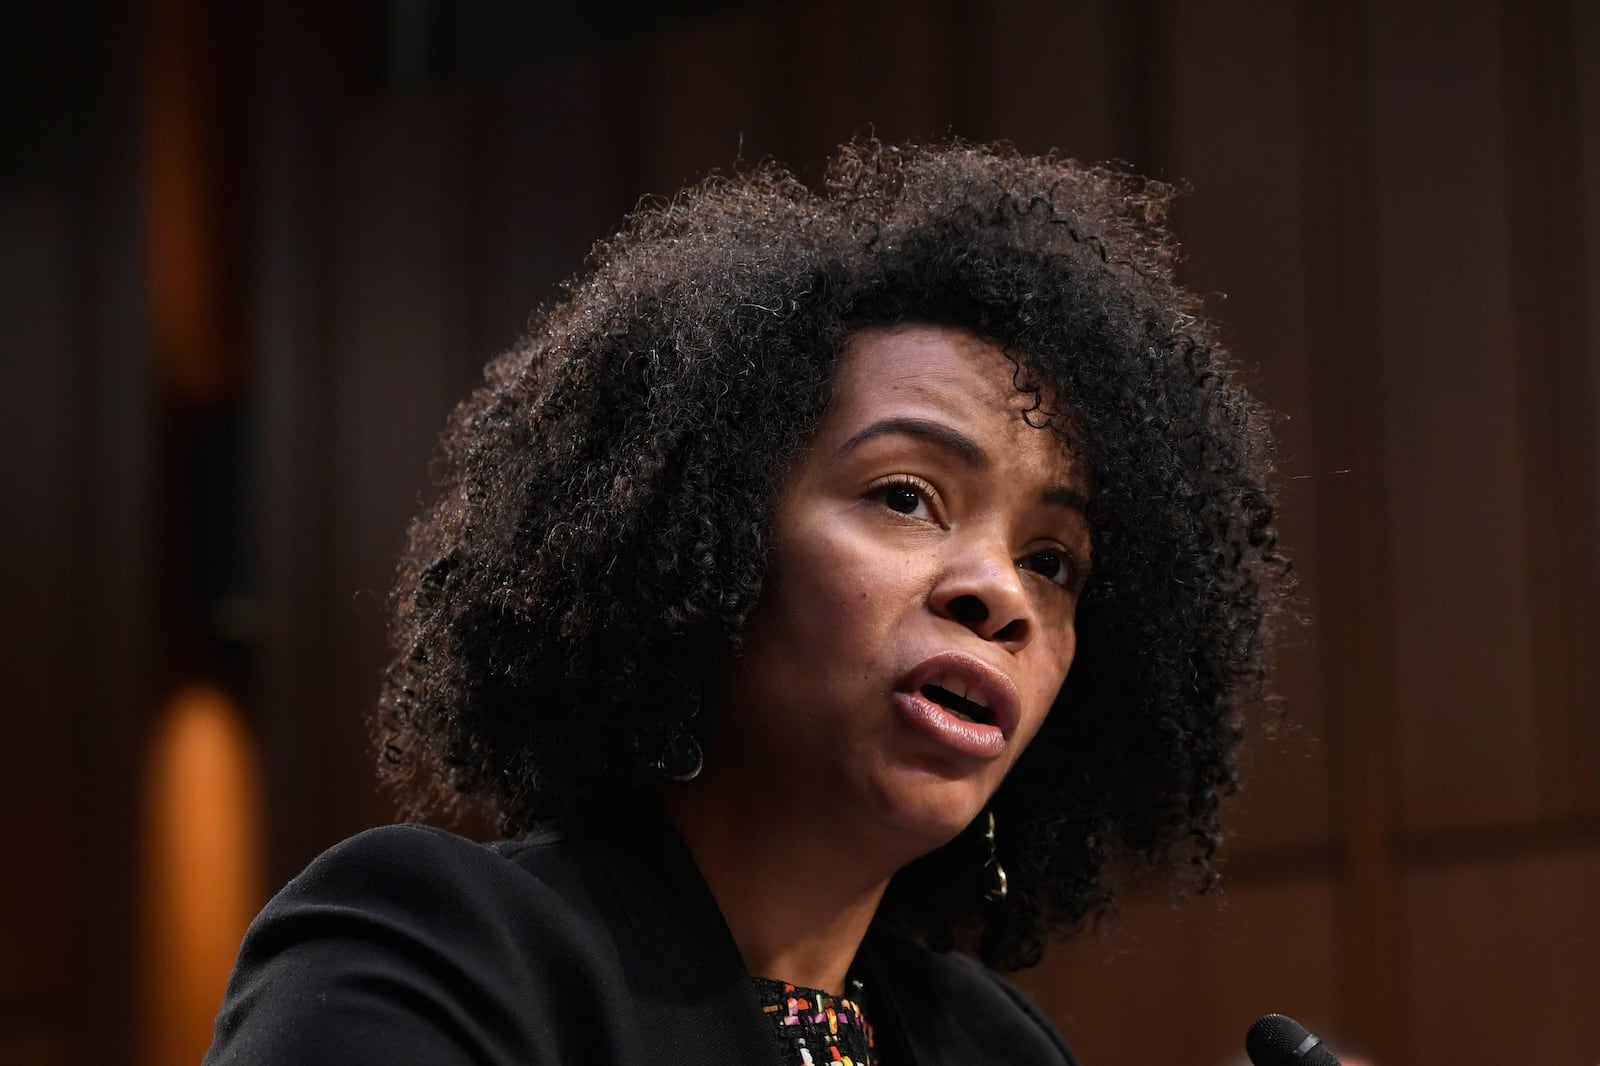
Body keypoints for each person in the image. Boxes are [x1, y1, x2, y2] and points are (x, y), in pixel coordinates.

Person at [205, 140, 1288, 1065]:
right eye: (905, 496)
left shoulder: (993, 1042)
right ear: (702, 542)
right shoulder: (424, 943)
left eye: (1052, 561)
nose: (997, 592)